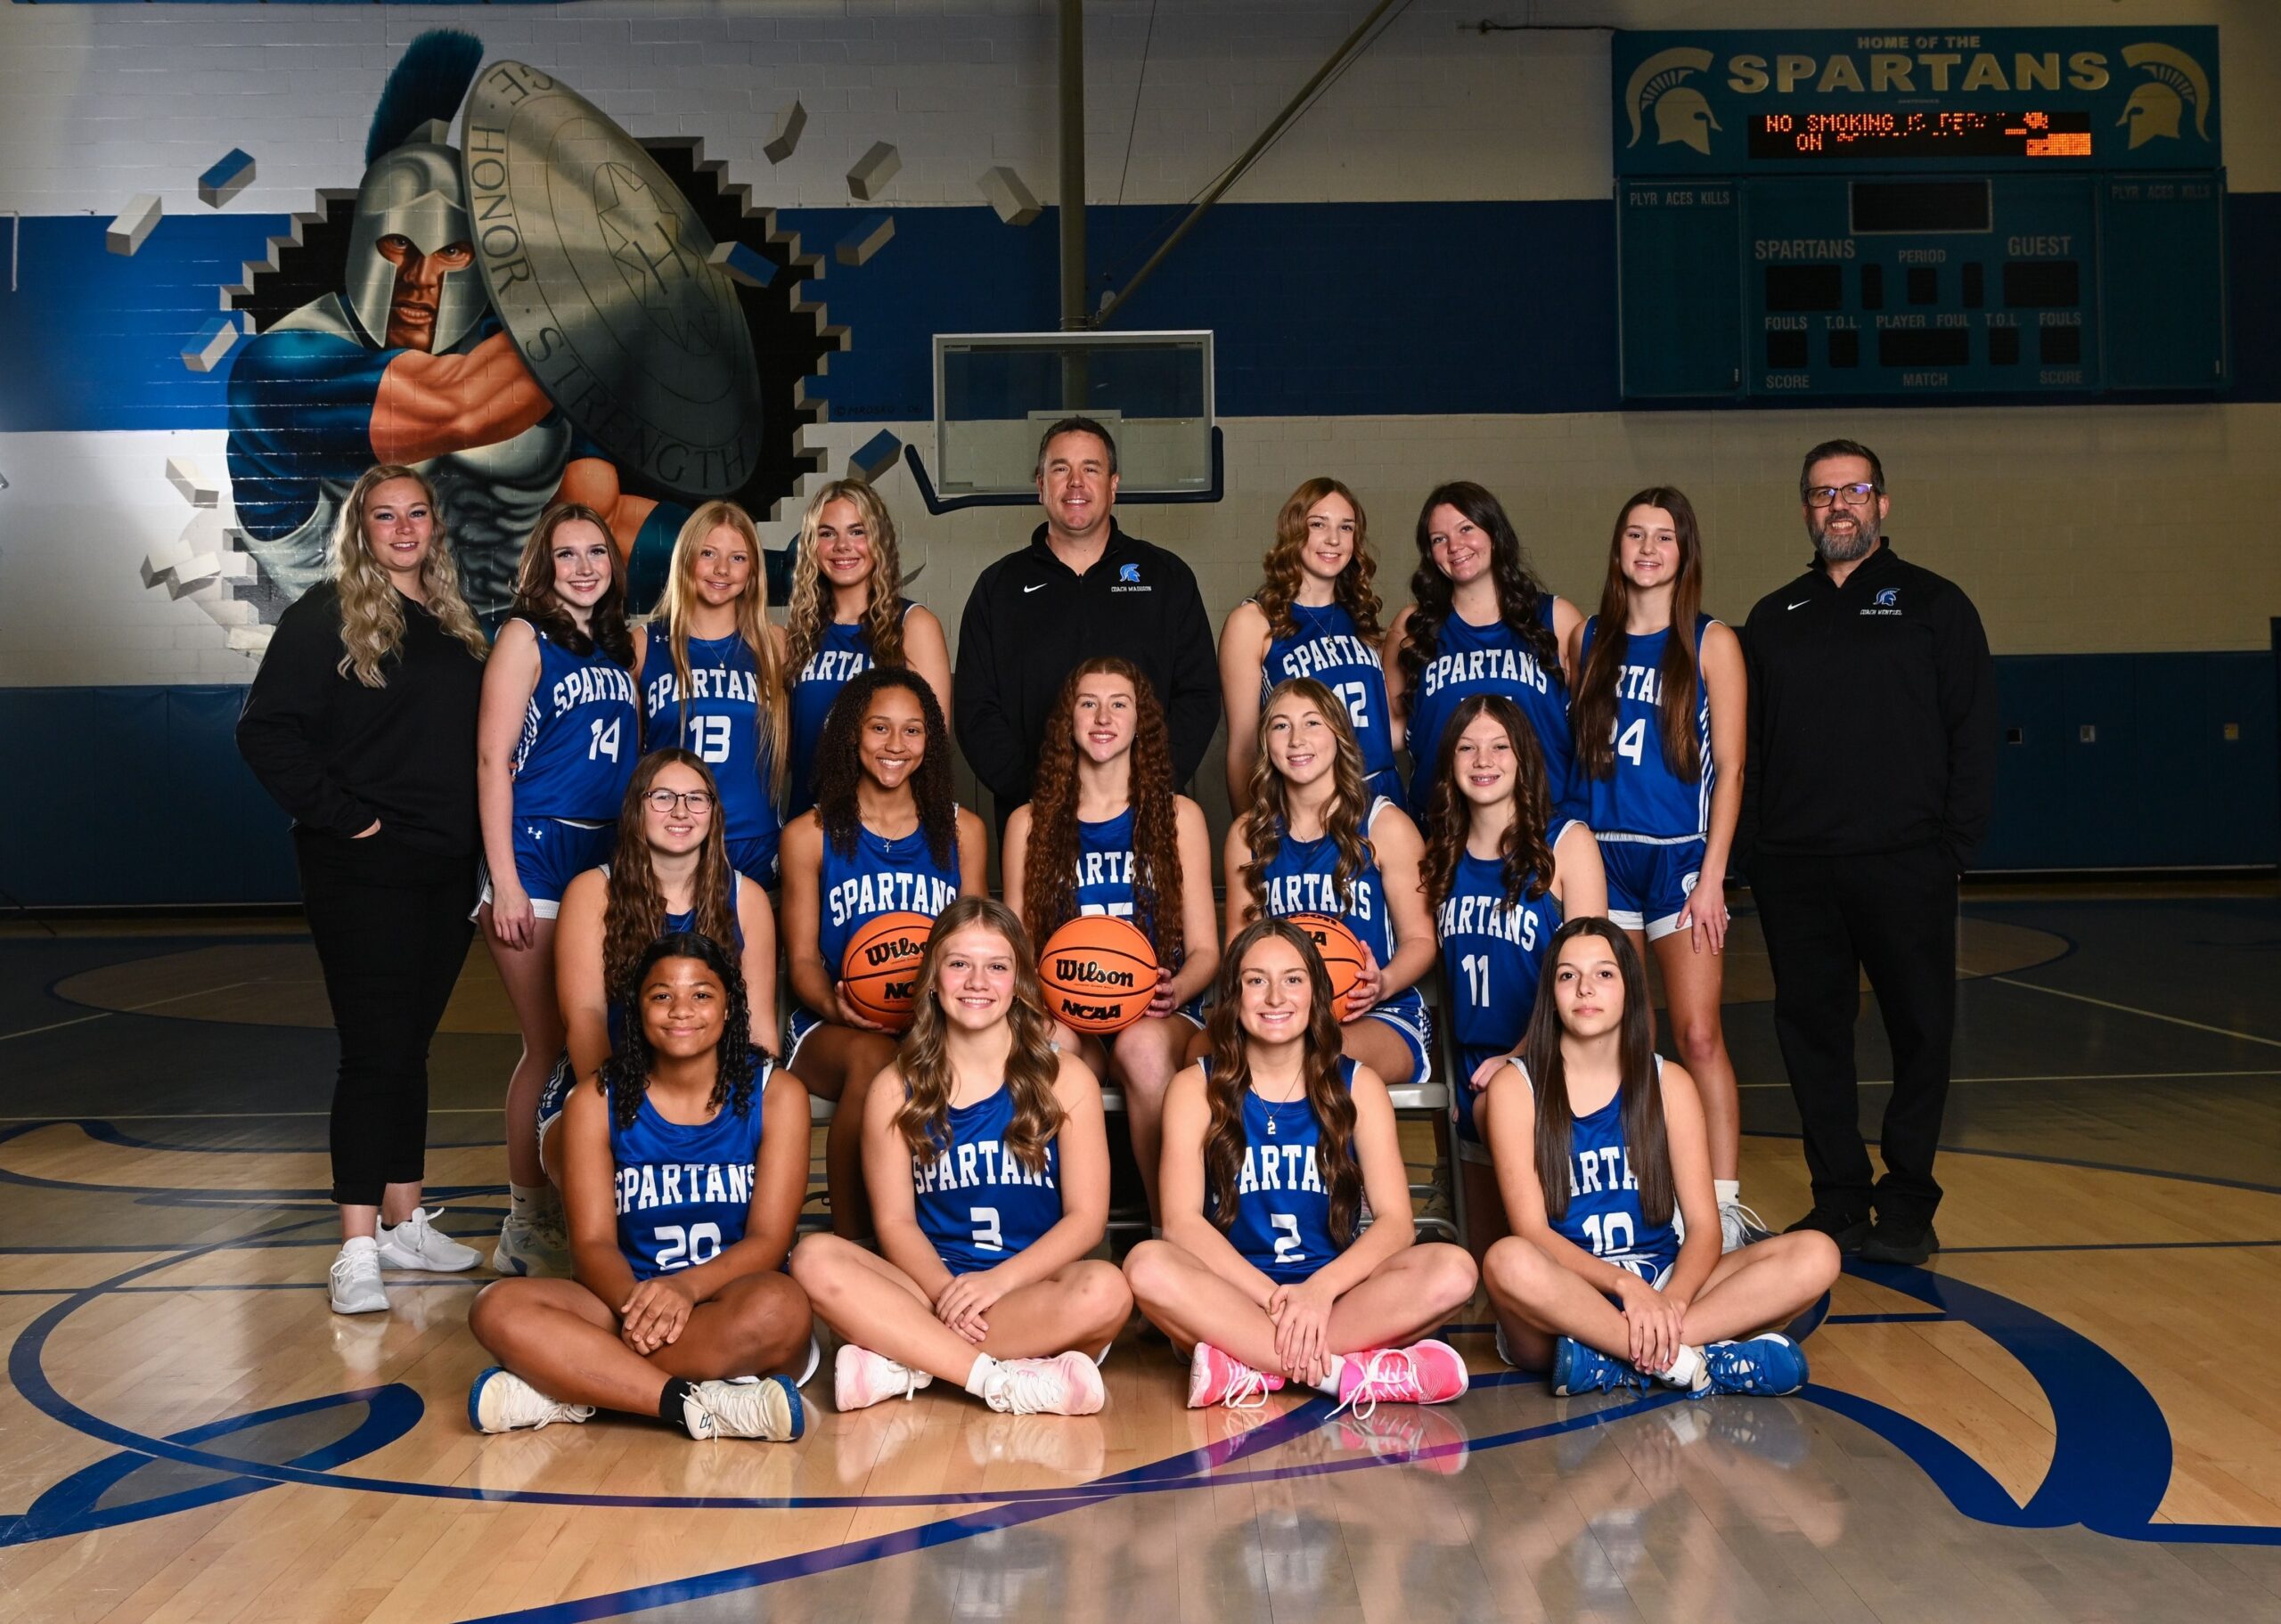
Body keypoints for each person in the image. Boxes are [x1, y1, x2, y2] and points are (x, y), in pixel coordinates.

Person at [235, 464, 491, 1316]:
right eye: (386, 515)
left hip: (444, 868)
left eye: (417, 513)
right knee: (374, 1051)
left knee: (409, 1047)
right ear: (360, 528)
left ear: (435, 526)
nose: (405, 528)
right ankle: (354, 1246)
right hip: (363, 869)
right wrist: (352, 822)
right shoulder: (326, 616)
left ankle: (404, 1220)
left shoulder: (454, 622)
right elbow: (264, 732)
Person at [1738, 440, 1998, 1266]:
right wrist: (1756, 852)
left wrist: (1951, 850)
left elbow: (1974, 731)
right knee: (1812, 1036)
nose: (1838, 505)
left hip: (1905, 863)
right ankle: (1840, 1199)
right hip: (1796, 868)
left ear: (1882, 503)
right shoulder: (1773, 617)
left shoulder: (1936, 604)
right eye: (1822, 493)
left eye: (1853, 490)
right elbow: (1748, 749)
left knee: (1921, 1030)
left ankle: (1909, 1201)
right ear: (1805, 509)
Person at [790, 898, 1132, 1416]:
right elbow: (896, 1223)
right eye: (958, 964)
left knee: (1107, 1290)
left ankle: (912, 1360)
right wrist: (948, 1294)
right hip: (929, 1289)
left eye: (997, 966)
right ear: (932, 978)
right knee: (813, 1258)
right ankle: (999, 1380)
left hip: (1027, 1287)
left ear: (1019, 983)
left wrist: (995, 1283)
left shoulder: (1066, 1078)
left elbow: (1086, 1221)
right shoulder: (893, 1088)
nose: (977, 982)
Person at [467, 932, 813, 1440]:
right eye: (661, 995)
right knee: (496, 1307)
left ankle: (582, 1384)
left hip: (727, 1303)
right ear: (638, 1009)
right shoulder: (594, 1101)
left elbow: (769, 1241)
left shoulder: (777, 1094)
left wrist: (684, 1289)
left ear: (728, 1008)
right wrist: (641, 1309)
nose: (681, 1010)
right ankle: (691, 1404)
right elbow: (592, 1246)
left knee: (782, 1309)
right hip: (625, 1300)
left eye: (701, 994)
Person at [1123, 920, 1477, 1411]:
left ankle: (1249, 1365)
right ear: (1233, 995)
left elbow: (1396, 1225)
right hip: (1234, 1294)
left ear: (1317, 992)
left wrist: (1317, 1293)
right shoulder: (1194, 1088)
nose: (1275, 997)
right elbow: (1181, 1224)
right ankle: (1340, 1374)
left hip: (1336, 1297)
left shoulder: (1359, 1085)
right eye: (1256, 980)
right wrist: (1277, 1300)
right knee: (1146, 1265)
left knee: (1455, 1270)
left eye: (1292, 979)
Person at [1478, 918, 1838, 1397]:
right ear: (1550, 993)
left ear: (1630, 989)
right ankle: (1697, 1360)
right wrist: (1627, 1289)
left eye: (1604, 973)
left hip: (1663, 1282)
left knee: (1816, 1254)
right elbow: (1533, 1233)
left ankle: (1616, 1359)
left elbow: (1705, 1228)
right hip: (1568, 1292)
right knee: (1507, 1261)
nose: (1585, 988)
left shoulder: (1670, 1083)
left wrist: (1671, 1302)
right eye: (1568, 975)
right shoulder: (1516, 1087)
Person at [1566, 487, 1758, 1252]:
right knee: (1622, 1035)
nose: (1648, 549)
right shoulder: (1588, 639)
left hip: (1680, 856)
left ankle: (1724, 1202)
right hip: (1604, 854)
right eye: (1636, 535)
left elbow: (1732, 769)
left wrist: (1713, 877)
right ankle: (1645, 1194)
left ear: (1685, 552)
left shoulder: (1712, 643)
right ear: (1617, 549)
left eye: (1664, 537)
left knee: (1699, 1033)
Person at [474, 504, 642, 1274]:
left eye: (595, 552)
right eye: (566, 554)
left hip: (603, 852)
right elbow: (492, 759)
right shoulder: (523, 637)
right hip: (537, 851)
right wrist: (505, 880)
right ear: (542, 567)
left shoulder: (618, 646)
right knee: (548, 1043)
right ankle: (525, 1218)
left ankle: (594, 1208)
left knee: (600, 1037)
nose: (583, 567)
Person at [1002, 658, 1220, 1218]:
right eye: (1088, 703)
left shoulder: (1178, 817)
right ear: (1067, 720)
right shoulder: (1029, 823)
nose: (1103, 717)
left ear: (1140, 721)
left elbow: (1205, 951)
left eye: (1119, 703)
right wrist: (1044, 1002)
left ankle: (1174, 1230)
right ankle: (1054, 1239)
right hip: (1068, 1009)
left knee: (1141, 1048)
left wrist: (1174, 989)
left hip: (1158, 1013)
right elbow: (1015, 949)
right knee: (1044, 1050)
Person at [781, 668, 987, 1236]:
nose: (896, 745)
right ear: (852, 733)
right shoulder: (809, 835)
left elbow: (978, 944)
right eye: (879, 727)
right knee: (875, 1062)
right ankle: (854, 1245)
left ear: (930, 741)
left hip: (936, 1020)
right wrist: (835, 1004)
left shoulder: (963, 831)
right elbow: (802, 960)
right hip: (833, 1027)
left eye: (912, 730)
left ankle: (958, 1239)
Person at [954, 416, 1220, 821]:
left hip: (1147, 813)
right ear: (1040, 484)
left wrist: (1148, 784)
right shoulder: (998, 588)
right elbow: (976, 710)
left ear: (1114, 485)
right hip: (1036, 814)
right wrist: (1038, 792)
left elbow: (1198, 695)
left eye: (1090, 469)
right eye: (1061, 469)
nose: (1075, 482)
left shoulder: (1167, 578)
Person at [1419, 693, 1605, 1256]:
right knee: (1489, 1265)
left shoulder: (1567, 843)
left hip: (1553, 1060)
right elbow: (1442, 985)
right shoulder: (1440, 856)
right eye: (1467, 748)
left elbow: (1600, 982)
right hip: (1473, 1072)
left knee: (1554, 1250)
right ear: (1449, 762)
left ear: (1524, 756)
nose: (1484, 760)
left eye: (1500, 746)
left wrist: (1520, 1056)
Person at [548, 750, 779, 1189]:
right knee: (612, 1182)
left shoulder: (746, 897)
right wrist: (627, 1114)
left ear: (714, 811)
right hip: (610, 1084)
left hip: (715, 1095)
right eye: (663, 797)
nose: (680, 811)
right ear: (636, 807)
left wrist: (743, 1114)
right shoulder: (592, 891)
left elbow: (760, 1027)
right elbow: (585, 1018)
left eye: (696, 798)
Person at [1226, 679, 1436, 1088]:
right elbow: (1239, 948)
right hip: (1279, 1013)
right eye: (1281, 726)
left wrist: (1383, 983)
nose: (1296, 739)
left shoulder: (1385, 825)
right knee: (1199, 1056)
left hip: (1379, 1012)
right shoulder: (1246, 836)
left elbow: (1422, 940)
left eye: (1312, 723)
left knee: (1311, 1056)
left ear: (1339, 734)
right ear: (1266, 742)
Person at [1385, 481, 1582, 822]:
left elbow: (1596, 725)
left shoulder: (1556, 618)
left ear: (1494, 533)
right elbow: (1389, 731)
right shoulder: (1411, 626)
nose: (1454, 546)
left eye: (1466, 529)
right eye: (1439, 539)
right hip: (1443, 824)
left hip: (1542, 820)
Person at [1219, 477, 1400, 811]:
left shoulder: (1360, 616)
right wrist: (1247, 832)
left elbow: (1384, 728)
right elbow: (1243, 749)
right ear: (1294, 531)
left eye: (1346, 527)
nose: (1333, 539)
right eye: (1318, 524)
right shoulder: (1253, 621)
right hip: (1306, 802)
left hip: (1380, 791)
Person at [640, 501, 791, 888]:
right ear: (686, 558)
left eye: (737, 558)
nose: (722, 569)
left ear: (752, 571)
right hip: (672, 838)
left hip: (755, 841)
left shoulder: (775, 645)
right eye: (708, 553)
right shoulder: (644, 644)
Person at [781, 479, 952, 820]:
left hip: (885, 826)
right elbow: (788, 750)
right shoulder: (800, 635)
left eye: (857, 532)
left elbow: (933, 744)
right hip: (809, 820)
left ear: (879, 540)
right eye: (827, 534)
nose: (842, 546)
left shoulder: (914, 625)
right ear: (812, 546)